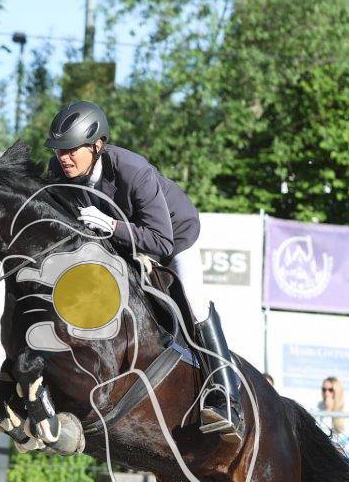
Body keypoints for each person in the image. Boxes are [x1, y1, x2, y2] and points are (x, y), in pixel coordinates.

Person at [43, 100, 245, 443]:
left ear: (97, 145)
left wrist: (111, 225)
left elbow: (161, 241)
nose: (64, 157)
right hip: (118, 242)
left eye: (72, 150)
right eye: (59, 150)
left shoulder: (134, 171)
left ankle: (227, 397)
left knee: (194, 303)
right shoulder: (59, 172)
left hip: (173, 238)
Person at [316, 377, 349, 457]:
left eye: (330, 390)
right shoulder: (318, 407)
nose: (326, 393)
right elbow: (320, 433)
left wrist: (339, 448)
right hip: (323, 453)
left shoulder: (347, 409)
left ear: (337, 391)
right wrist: (327, 411)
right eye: (324, 390)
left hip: (343, 455)